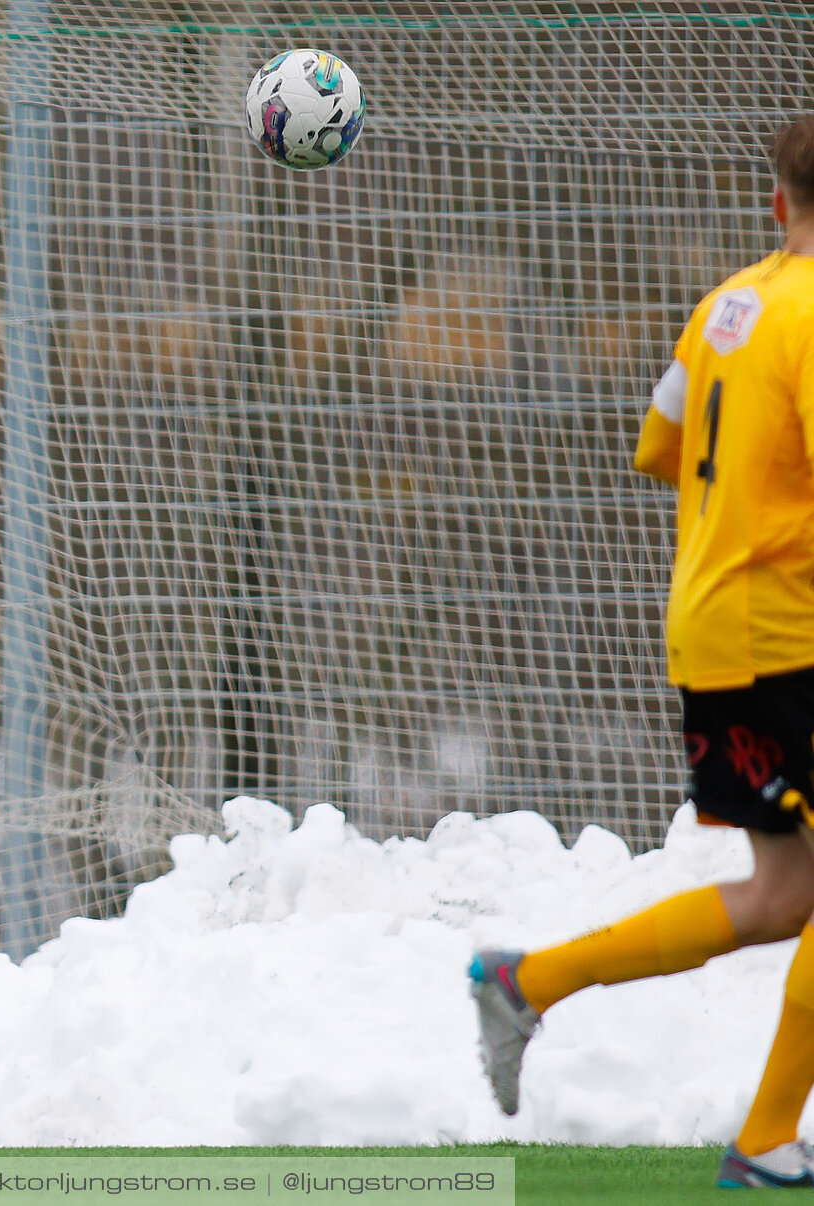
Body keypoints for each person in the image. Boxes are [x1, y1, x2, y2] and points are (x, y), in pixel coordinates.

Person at [470, 115, 814, 1189]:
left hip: (717, 627)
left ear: (777, 204)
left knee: (780, 898)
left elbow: (661, 448)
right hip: (786, 635)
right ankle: (763, 1143)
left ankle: (529, 981)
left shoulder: (728, 306)